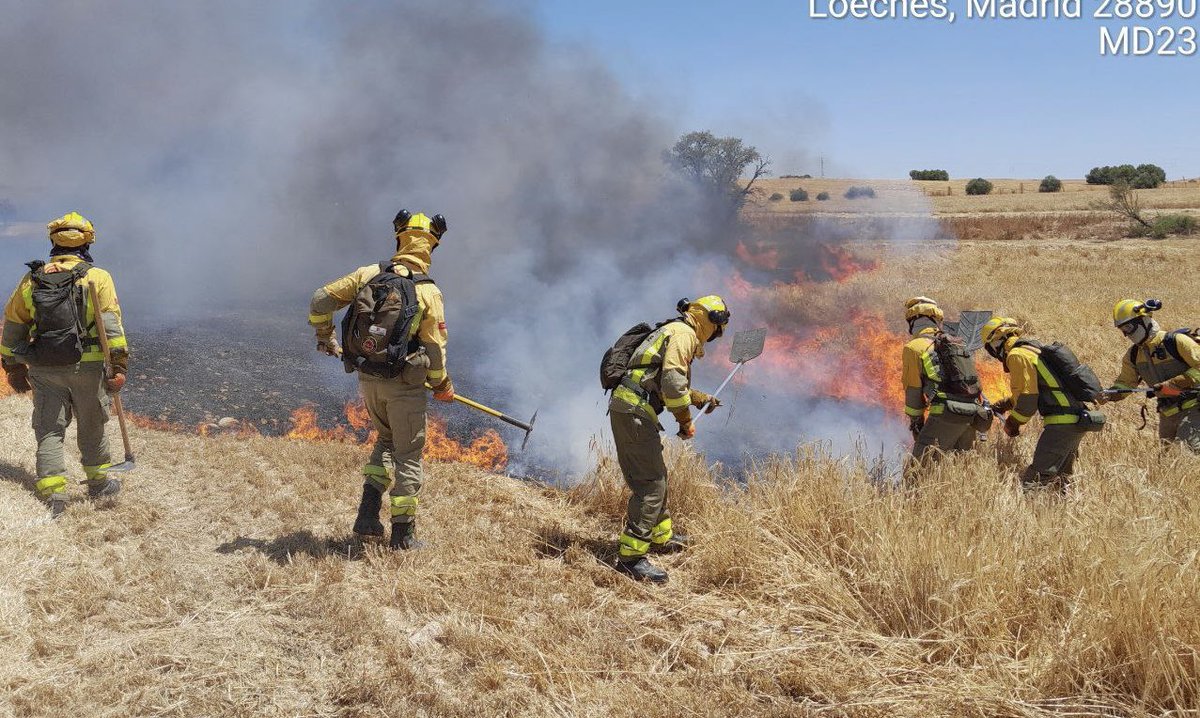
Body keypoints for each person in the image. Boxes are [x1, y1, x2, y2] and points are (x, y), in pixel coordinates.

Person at [308, 210, 452, 550]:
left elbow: (319, 300)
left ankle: (367, 516)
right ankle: (403, 537)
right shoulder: (428, 292)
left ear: (399, 237)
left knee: (386, 441)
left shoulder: (368, 274)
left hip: (368, 377)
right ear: (432, 245)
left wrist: (326, 337)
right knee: (409, 456)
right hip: (404, 386)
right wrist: (442, 384)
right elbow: (435, 348)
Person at [1, 212, 128, 516]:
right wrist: (119, 365)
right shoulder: (98, 277)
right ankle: (98, 484)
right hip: (89, 367)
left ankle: (54, 492)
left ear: (53, 241)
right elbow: (110, 325)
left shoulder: (33, 279)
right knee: (93, 424)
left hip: (44, 368)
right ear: (87, 241)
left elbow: (15, 324)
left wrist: (13, 366)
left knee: (49, 427)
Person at [607, 295, 729, 583]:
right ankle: (631, 558)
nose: (714, 337)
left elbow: (660, 381)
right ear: (708, 321)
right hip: (635, 411)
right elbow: (673, 387)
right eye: (716, 330)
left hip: (631, 406)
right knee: (650, 485)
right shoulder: (685, 334)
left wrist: (700, 399)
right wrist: (685, 422)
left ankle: (661, 536)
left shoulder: (673, 329)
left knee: (656, 475)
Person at [979, 316, 1099, 492]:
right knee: (1059, 481)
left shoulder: (1017, 355)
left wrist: (1013, 423)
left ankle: (1036, 516)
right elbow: (1037, 389)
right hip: (1075, 419)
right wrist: (1004, 405)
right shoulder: (1032, 350)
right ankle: (1058, 515)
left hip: (1061, 424)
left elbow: (1028, 398)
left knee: (1035, 481)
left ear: (995, 343)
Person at [1102, 299, 1200, 451]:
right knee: (1167, 464)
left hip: (1195, 408)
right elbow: (1126, 383)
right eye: (1123, 330)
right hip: (1167, 414)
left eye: (1128, 327)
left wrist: (1176, 382)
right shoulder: (1133, 355)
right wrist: (1109, 395)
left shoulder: (1175, 341)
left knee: (1186, 454)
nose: (1126, 334)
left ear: (1144, 320)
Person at [901, 297, 988, 460]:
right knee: (959, 467)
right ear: (937, 320)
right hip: (972, 415)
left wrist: (916, 423)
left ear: (912, 321)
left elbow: (913, 391)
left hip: (945, 414)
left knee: (920, 470)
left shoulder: (914, 347)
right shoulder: (957, 344)